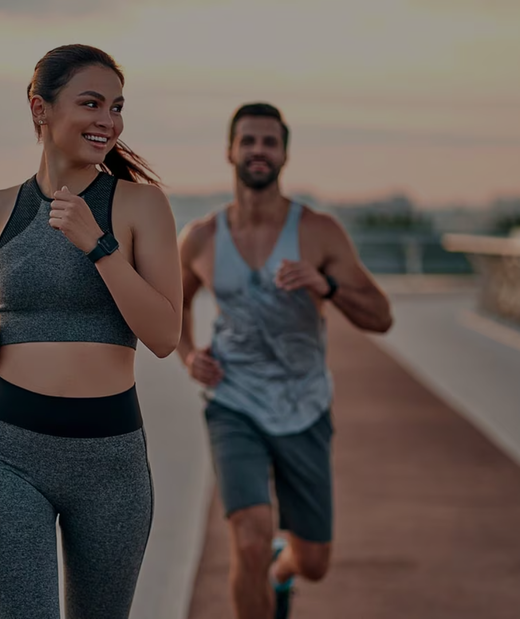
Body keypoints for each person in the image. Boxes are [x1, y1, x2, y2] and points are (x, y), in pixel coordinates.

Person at [0, 44, 183, 619]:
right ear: (41, 108)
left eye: (116, 107)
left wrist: (99, 245)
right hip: (7, 454)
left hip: (111, 462)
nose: (108, 121)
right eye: (91, 103)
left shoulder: (140, 205)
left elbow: (164, 335)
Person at [176, 102, 393, 619]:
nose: (258, 150)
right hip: (234, 402)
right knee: (248, 539)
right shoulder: (202, 238)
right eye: (248, 140)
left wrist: (328, 285)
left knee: (314, 560)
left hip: (304, 406)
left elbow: (380, 317)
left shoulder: (318, 231)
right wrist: (188, 355)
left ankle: (283, 571)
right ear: (230, 150)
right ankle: (263, 568)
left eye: (269, 142)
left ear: (284, 154)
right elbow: (175, 302)